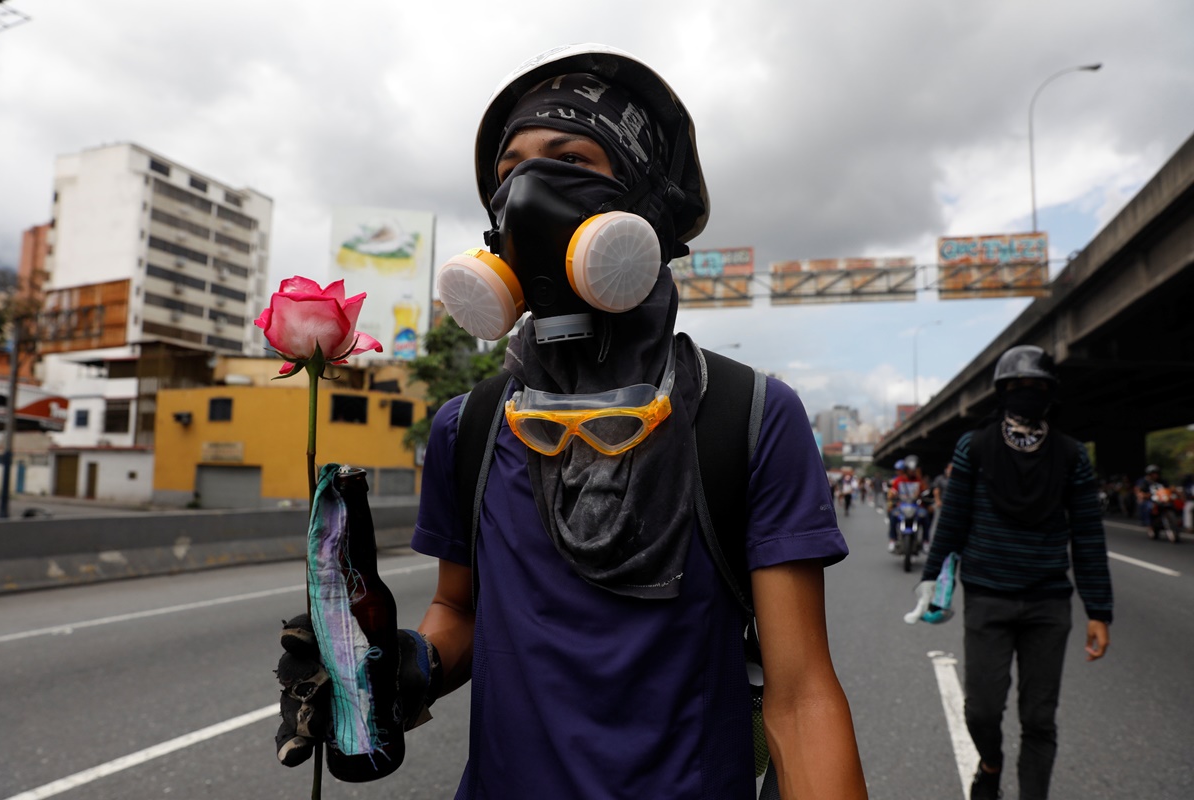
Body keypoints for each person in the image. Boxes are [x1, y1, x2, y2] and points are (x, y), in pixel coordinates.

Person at [277, 44, 867, 799]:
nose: (527, 192)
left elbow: (801, 694)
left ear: (640, 205)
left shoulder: (747, 415)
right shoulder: (474, 426)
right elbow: (459, 608)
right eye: (508, 174)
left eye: (569, 159)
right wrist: (402, 665)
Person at [913, 344, 1113, 800]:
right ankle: (990, 763)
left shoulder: (1071, 455)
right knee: (982, 710)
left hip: (1049, 602)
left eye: (1037, 386)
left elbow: (1087, 535)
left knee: (1039, 719)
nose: (1028, 393)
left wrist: (1099, 610)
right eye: (1018, 386)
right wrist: (931, 578)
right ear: (1002, 392)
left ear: (1051, 394)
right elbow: (954, 520)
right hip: (988, 597)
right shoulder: (975, 447)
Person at [1134, 464, 1165, 529]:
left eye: (1156, 473)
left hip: (1163, 499)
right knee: (1149, 506)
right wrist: (1144, 495)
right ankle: (1149, 523)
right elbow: (1139, 492)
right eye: (1153, 473)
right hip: (1151, 500)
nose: (1155, 475)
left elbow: (1169, 488)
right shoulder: (1144, 482)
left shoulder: (1162, 481)